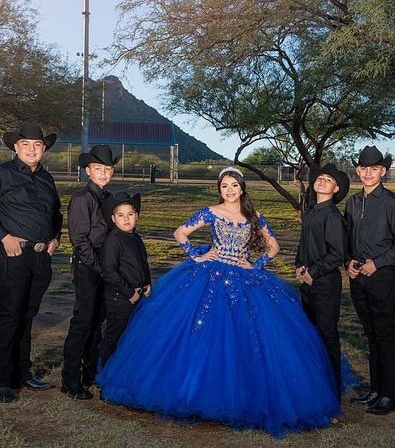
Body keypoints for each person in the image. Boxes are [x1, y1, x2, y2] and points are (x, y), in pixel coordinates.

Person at [97, 167, 341, 438]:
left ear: (242, 188)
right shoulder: (211, 211)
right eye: (224, 186)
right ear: (219, 188)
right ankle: (192, 392)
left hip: (246, 279)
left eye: (234, 185)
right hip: (210, 275)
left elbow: (274, 246)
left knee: (249, 338)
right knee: (200, 333)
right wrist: (197, 256)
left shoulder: (254, 216)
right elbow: (180, 233)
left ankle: (240, 394)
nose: (229, 190)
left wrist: (256, 265)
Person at [0, 121, 62, 403]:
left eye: (37, 145)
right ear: (15, 147)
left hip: (40, 257)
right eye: (26, 145)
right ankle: (0, 380)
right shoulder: (1, 175)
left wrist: (55, 238)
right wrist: (2, 236)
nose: (32, 149)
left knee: (27, 316)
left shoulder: (47, 178)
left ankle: (22, 372)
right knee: (9, 315)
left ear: (43, 148)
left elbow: (56, 212)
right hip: (13, 254)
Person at [345, 145, 395, 415]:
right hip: (357, 276)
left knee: (384, 334)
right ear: (358, 171)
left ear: (382, 171)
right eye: (364, 168)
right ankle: (375, 389)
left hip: (382, 276)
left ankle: (389, 395)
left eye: (374, 168)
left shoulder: (393, 203)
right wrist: (347, 260)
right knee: (370, 334)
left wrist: (378, 262)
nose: (369, 173)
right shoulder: (352, 202)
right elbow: (346, 240)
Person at [61, 144, 119, 400]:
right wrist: (100, 268)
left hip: (105, 268)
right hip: (88, 267)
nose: (103, 173)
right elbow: (80, 240)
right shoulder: (83, 198)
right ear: (88, 171)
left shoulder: (109, 199)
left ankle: (89, 372)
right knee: (83, 321)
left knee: (98, 321)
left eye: (107, 169)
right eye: (98, 169)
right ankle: (70, 378)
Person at [295, 163, 349, 399]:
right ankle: (314, 385)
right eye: (320, 178)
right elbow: (303, 244)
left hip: (325, 283)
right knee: (309, 334)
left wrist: (313, 272)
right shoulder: (311, 211)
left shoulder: (333, 217)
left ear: (336, 189)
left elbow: (337, 254)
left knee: (327, 336)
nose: (323, 180)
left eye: (329, 180)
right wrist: (299, 266)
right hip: (307, 281)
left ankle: (332, 390)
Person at [97, 192, 151, 367]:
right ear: (113, 218)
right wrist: (129, 293)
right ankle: (105, 373)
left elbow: (143, 262)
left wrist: (147, 282)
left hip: (138, 294)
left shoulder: (135, 238)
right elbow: (109, 271)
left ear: (137, 215)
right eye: (121, 215)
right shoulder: (113, 241)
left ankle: (124, 371)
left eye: (130, 214)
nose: (126, 219)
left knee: (132, 335)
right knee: (115, 335)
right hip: (120, 297)